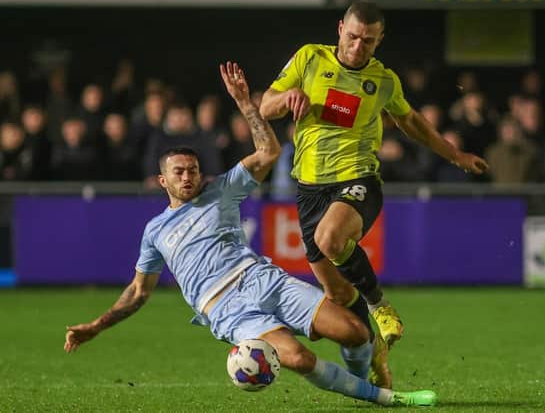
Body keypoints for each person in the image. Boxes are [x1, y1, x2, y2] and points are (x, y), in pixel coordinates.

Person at [63, 62, 436, 408]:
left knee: (355, 333)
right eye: (178, 172)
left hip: (263, 278)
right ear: (163, 180)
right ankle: (387, 399)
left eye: (192, 169)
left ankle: (367, 384)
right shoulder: (155, 231)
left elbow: (269, 151)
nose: (188, 176)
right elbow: (138, 291)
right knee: (300, 358)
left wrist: (245, 102)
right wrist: (96, 326)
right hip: (227, 309)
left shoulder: (219, 190)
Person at [260, 0, 488, 386]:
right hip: (310, 190)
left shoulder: (383, 82)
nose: (357, 46)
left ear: (379, 40)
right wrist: (288, 99)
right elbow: (266, 106)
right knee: (337, 297)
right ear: (339, 29)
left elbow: (411, 122)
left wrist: (457, 155)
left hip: (358, 179)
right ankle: (376, 353)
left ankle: (380, 304)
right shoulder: (309, 59)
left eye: (367, 41)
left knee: (330, 238)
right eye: (352, 37)